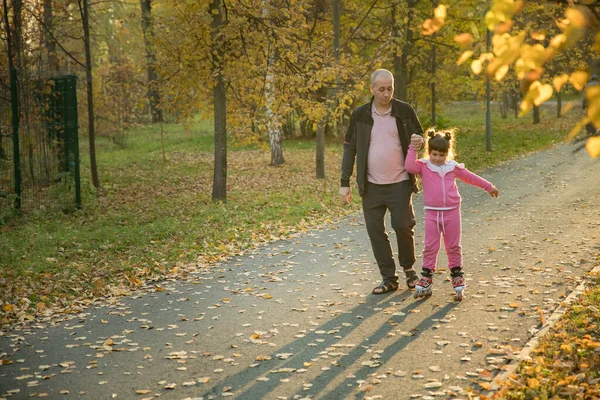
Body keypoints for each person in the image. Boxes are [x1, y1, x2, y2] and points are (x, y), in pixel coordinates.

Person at [340, 68, 424, 294]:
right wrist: (344, 182)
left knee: (402, 226)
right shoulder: (360, 115)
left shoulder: (404, 111)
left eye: (390, 89)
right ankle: (388, 278)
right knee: (375, 230)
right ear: (372, 89)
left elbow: (419, 136)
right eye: (381, 89)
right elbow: (349, 148)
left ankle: (409, 270)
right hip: (371, 186)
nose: (386, 94)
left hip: (400, 182)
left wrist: (419, 141)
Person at [406, 129, 499, 301]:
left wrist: (488, 186)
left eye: (442, 154)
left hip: (451, 213)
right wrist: (412, 148)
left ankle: (457, 276)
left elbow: (471, 177)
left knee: (453, 246)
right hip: (432, 213)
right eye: (434, 154)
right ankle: (426, 277)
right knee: (430, 246)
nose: (438, 158)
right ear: (429, 152)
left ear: (447, 153)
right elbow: (409, 167)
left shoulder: (453, 168)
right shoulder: (424, 166)